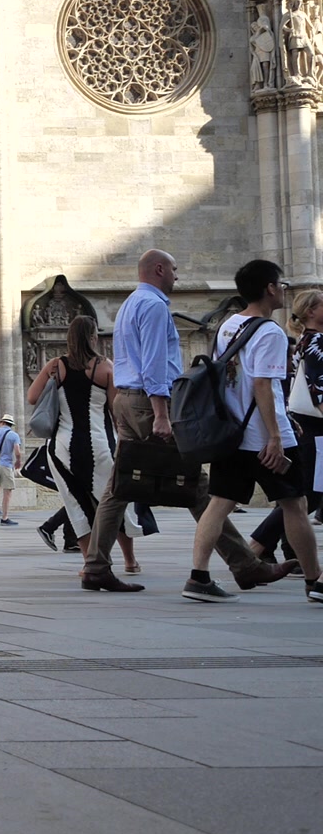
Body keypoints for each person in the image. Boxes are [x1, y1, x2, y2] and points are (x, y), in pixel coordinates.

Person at [84, 249, 296, 594]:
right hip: (150, 403)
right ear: (158, 270)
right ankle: (243, 565)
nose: (177, 277)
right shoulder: (153, 305)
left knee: (120, 485)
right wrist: (163, 414)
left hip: (127, 398)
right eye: (174, 270)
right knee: (197, 485)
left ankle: (95, 566)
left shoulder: (130, 303)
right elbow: (154, 362)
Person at [182, 260, 323, 603]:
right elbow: (262, 384)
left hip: (232, 433)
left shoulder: (229, 324)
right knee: (295, 503)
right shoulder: (271, 331)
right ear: (270, 288)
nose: (284, 290)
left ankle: (198, 576)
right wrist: (275, 436)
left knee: (219, 503)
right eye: (281, 285)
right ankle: (315, 580)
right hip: (264, 435)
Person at [26, 317, 138, 573]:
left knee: (77, 504)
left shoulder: (56, 366)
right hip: (100, 444)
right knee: (112, 501)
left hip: (62, 447)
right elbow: (115, 410)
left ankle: (90, 562)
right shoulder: (105, 366)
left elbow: (33, 397)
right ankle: (130, 561)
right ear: (93, 337)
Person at [245, 289, 323, 563]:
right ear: (311, 312)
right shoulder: (316, 342)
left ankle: (268, 547)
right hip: (316, 425)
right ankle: (258, 544)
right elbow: (318, 388)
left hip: (306, 423)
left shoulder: (305, 340)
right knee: (310, 494)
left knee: (308, 493)